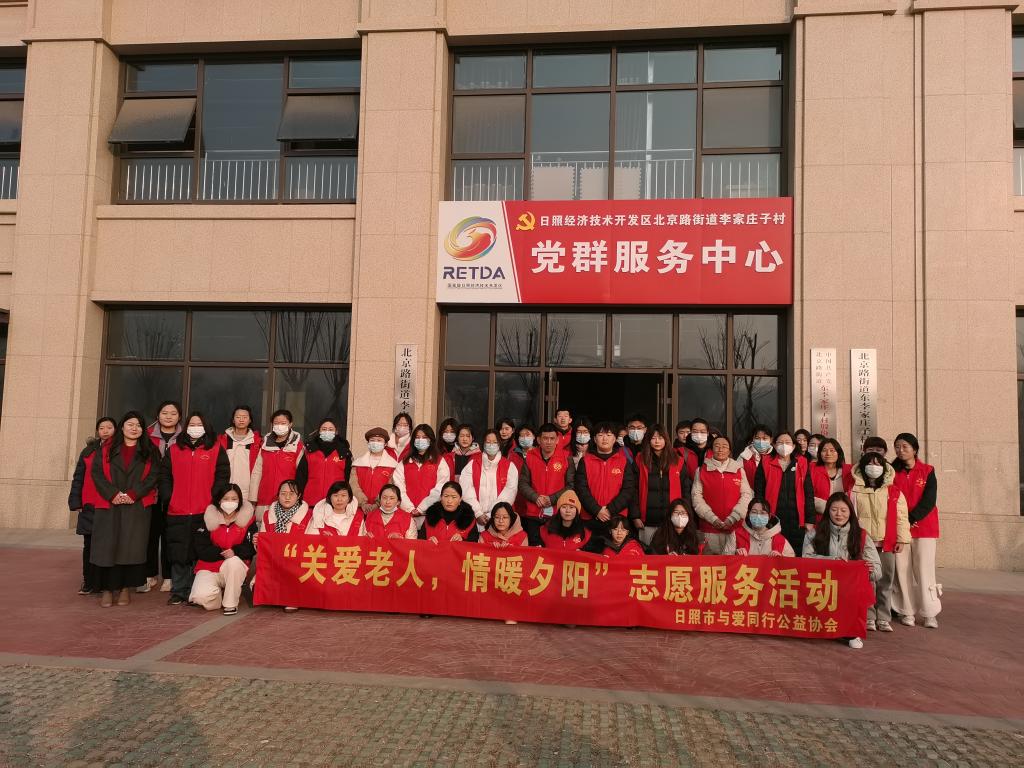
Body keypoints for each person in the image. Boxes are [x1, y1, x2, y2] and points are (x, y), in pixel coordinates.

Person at [90, 411, 160, 607]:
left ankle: (124, 589)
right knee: (107, 548)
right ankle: (106, 590)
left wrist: (133, 494)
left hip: (135, 505)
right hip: (110, 504)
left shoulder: (150, 450)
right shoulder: (106, 449)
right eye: (130, 424)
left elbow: (153, 476)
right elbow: (96, 474)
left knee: (130, 548)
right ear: (122, 427)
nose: (134, 428)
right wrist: (113, 494)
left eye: (138, 425)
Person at [160, 411, 230, 606]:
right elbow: (164, 476)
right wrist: (169, 497)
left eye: (199, 424)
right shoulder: (175, 449)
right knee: (178, 551)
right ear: (186, 427)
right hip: (178, 510)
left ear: (206, 427)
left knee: (199, 551)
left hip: (204, 510)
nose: (195, 428)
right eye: (192, 424)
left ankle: (195, 589)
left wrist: (213, 500)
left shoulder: (215, 448)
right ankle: (179, 590)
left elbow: (223, 476)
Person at [804, 492, 882, 649]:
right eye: (834, 510)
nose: (838, 514)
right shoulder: (815, 533)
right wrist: (833, 562)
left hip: (849, 591)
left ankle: (852, 632)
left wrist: (869, 569)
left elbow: (877, 572)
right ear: (828, 511)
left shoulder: (861, 535)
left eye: (843, 510)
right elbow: (806, 560)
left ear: (850, 512)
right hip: (823, 589)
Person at [850, 451, 910, 632]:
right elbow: (851, 517)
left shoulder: (893, 491)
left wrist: (902, 539)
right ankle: (869, 616)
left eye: (877, 464)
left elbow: (902, 517)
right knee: (867, 580)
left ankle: (883, 617)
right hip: (864, 544)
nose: (873, 467)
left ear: (884, 467)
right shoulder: (854, 491)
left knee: (886, 580)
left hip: (886, 543)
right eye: (870, 463)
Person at [890, 432, 941, 629]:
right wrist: (902, 522)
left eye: (905, 446)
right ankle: (906, 611)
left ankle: (930, 613)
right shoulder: (891, 471)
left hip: (925, 528)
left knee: (924, 570)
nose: (900, 450)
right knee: (901, 570)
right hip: (899, 529)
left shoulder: (928, 470)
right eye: (897, 447)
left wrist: (911, 518)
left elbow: (929, 500)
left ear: (915, 449)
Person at [189, 484, 255, 615]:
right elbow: (201, 548)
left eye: (234, 499)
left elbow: (251, 547)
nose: (230, 502)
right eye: (226, 498)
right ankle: (219, 595)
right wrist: (221, 553)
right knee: (200, 597)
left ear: (240, 501)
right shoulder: (208, 518)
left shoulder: (248, 520)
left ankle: (230, 604)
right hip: (209, 566)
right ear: (219, 500)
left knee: (234, 562)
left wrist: (235, 552)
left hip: (235, 568)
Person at [68, 416, 117, 595]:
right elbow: (78, 477)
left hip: (110, 505)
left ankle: (104, 583)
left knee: (106, 546)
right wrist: (75, 501)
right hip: (89, 504)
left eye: (109, 427)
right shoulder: (88, 451)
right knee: (89, 545)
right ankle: (88, 581)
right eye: (101, 428)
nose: (105, 431)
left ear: (116, 430)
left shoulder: (118, 450)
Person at [753, 431, 815, 556]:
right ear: (774, 445)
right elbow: (759, 493)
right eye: (780, 442)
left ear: (793, 446)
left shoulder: (802, 462)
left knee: (796, 555)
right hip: (773, 517)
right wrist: (761, 516)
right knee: (774, 552)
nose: (784, 445)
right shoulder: (765, 462)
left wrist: (810, 519)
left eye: (787, 442)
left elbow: (809, 493)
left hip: (797, 519)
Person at [254, 479, 311, 612]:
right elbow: (264, 545)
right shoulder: (268, 515)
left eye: (291, 494)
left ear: (299, 496)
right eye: (283, 493)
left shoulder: (309, 515)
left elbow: (311, 545)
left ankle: (290, 596)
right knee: (257, 588)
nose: (287, 497)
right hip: (274, 562)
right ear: (278, 495)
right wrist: (258, 542)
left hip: (298, 563)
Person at [144, 400, 182, 593]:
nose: (168, 416)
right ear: (158, 415)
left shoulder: (184, 437)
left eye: (173, 413)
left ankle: (168, 576)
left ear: (179, 417)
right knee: (150, 536)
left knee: (170, 537)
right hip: (150, 494)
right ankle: (150, 574)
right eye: (164, 413)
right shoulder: (147, 435)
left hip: (175, 494)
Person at [692, 435, 753, 555]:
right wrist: (712, 519)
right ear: (711, 450)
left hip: (735, 528)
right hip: (709, 528)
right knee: (710, 564)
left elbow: (746, 496)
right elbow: (696, 498)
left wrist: (733, 518)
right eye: (717, 446)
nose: (720, 449)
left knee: (733, 563)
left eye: (724, 446)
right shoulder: (701, 470)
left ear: (729, 451)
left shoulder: (739, 470)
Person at [517, 422, 574, 547]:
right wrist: (535, 497)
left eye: (552, 438)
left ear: (557, 440)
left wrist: (552, 499)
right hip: (533, 513)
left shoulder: (566, 457)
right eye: (545, 438)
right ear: (538, 440)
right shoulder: (530, 457)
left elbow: (571, 485)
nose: (549, 442)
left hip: (557, 514)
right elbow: (522, 483)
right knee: (535, 549)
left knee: (554, 550)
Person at [574, 422, 636, 534]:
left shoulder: (623, 461)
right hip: (590, 518)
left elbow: (628, 490)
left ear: (615, 439)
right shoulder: (585, 461)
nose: (604, 438)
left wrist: (609, 510)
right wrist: (597, 510)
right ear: (594, 439)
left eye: (609, 435)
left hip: (617, 519)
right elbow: (581, 489)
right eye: (600, 435)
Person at [631, 424, 688, 547]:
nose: (657, 441)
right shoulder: (640, 459)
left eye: (660, 438)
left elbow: (686, 490)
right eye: (653, 438)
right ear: (648, 440)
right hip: (647, 521)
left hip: (672, 521)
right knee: (647, 554)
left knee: (670, 554)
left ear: (666, 439)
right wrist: (635, 516)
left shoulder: (678, 460)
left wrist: (684, 515)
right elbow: (633, 490)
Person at [249, 410, 305, 516]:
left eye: (283, 423)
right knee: (264, 524)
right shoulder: (265, 445)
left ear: (290, 424)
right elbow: (257, 472)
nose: (279, 426)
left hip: (288, 499)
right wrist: (253, 498)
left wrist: (298, 497)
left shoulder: (298, 447)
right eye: (276, 423)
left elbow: (301, 475)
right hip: (265, 497)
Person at [460, 428, 518, 531]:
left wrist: (493, 514)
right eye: (488, 442)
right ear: (483, 444)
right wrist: (478, 513)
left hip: (500, 519)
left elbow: (510, 492)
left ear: (499, 444)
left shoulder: (509, 466)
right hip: (475, 518)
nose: (491, 445)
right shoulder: (473, 464)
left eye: (495, 442)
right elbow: (466, 489)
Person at [392, 424, 448, 527]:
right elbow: (398, 486)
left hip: (431, 515)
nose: (420, 440)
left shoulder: (439, 461)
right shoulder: (405, 462)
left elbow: (441, 487)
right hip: (407, 515)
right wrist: (410, 508)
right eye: (417, 437)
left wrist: (421, 508)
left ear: (431, 440)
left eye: (424, 437)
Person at [295, 418, 352, 508]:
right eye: (324, 429)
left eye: (331, 429)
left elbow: (349, 477)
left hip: (336, 502)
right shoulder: (309, 450)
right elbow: (301, 476)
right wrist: (298, 497)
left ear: (336, 432)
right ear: (319, 431)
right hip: (311, 500)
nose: (327, 431)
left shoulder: (344, 451)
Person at [350, 427, 399, 514]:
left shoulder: (393, 465)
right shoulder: (357, 464)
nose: (375, 443)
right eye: (372, 440)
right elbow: (353, 486)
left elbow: (391, 487)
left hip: (383, 509)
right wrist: (363, 503)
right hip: (359, 509)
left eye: (379, 440)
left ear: (385, 444)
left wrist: (377, 504)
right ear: (368, 443)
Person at [723, 498, 795, 557]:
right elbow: (724, 561)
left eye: (762, 513)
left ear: (769, 516)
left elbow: (792, 563)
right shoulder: (736, 535)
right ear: (748, 514)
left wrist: (781, 559)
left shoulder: (780, 540)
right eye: (754, 512)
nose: (758, 516)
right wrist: (735, 555)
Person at [218, 405, 261, 494]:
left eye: (245, 417)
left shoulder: (257, 441)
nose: (241, 420)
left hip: (248, 491)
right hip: (225, 489)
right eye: (238, 417)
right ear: (233, 420)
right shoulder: (222, 440)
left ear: (250, 420)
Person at [811, 438, 855, 517]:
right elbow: (807, 495)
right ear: (819, 453)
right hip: (818, 516)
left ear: (838, 453)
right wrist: (829, 508)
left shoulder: (849, 470)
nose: (828, 453)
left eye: (832, 450)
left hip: (843, 516)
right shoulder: (811, 468)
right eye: (824, 450)